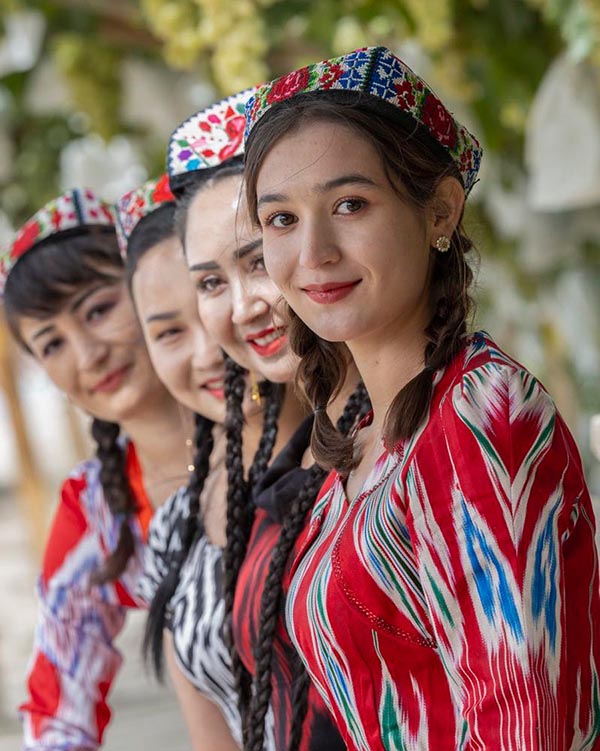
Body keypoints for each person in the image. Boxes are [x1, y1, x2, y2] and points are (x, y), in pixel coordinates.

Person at [243, 46, 600, 750]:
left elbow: (528, 723)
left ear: (439, 210)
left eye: (349, 204)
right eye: (280, 219)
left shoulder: (483, 413)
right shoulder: (365, 437)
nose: (313, 252)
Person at [176, 93, 368, 751]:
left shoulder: (424, 423)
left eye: (257, 258)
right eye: (208, 283)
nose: (242, 306)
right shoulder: (286, 469)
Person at [0, 188, 192, 750]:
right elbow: (58, 705)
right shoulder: (97, 509)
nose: (86, 356)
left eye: (98, 310)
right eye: (52, 343)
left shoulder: (282, 416)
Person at [117, 173, 243, 751]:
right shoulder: (175, 530)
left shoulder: (359, 478)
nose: (209, 351)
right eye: (169, 333)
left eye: (214, 296)